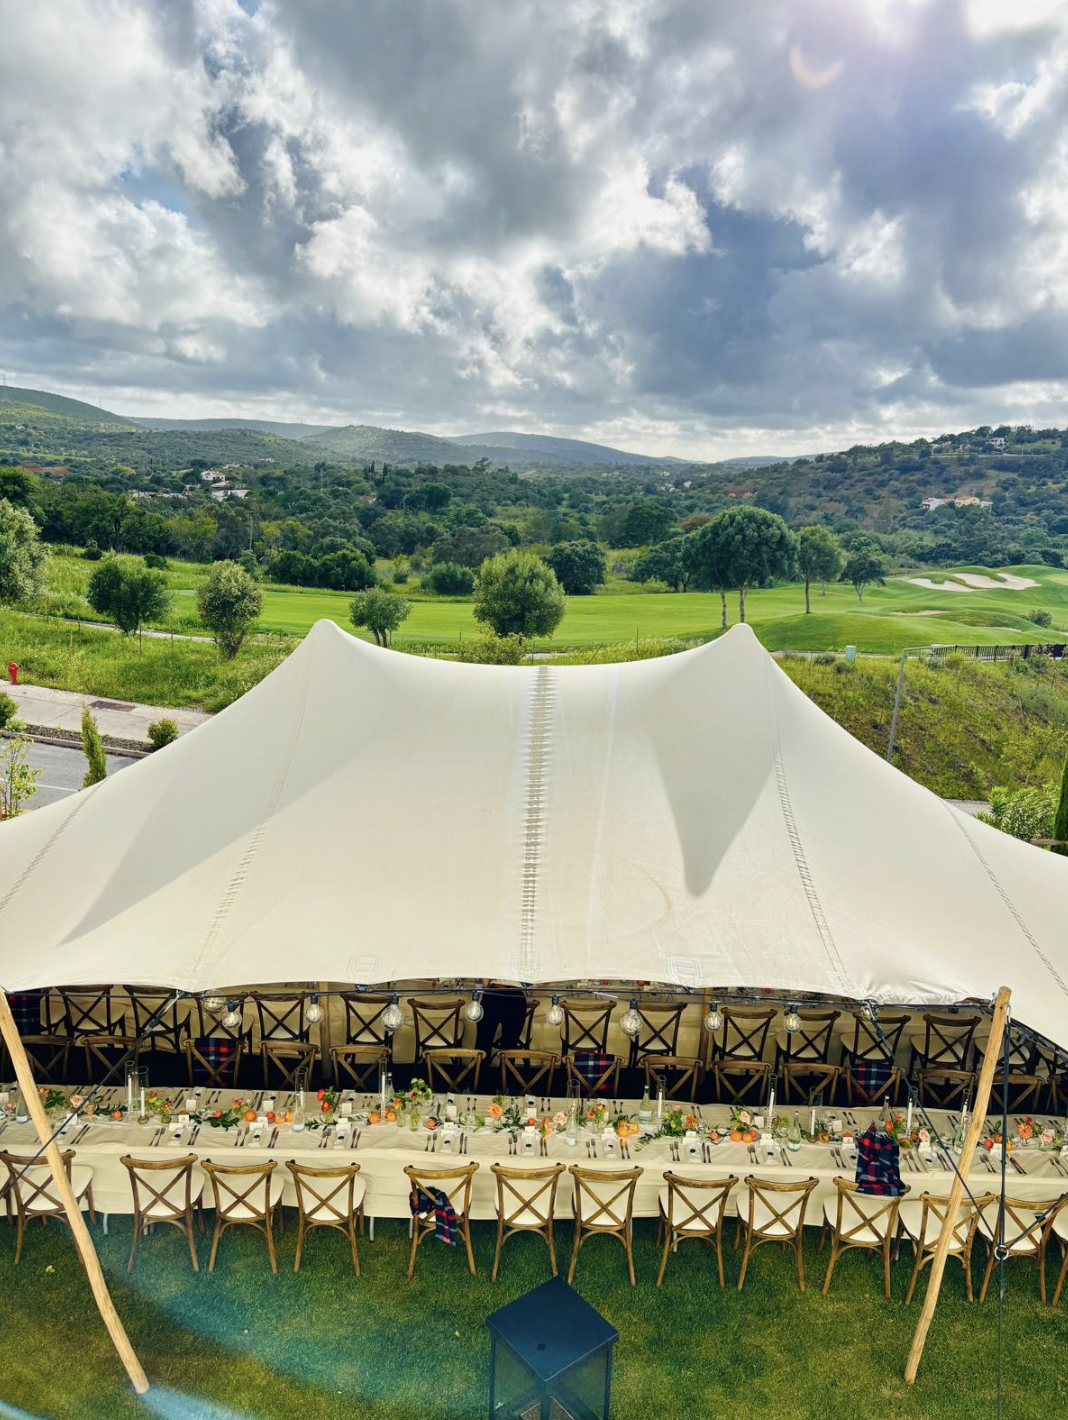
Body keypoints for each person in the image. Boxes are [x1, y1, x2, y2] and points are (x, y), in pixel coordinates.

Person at [475, 981, 528, 1057]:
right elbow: (532, 984)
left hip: (493, 995)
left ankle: (480, 1067)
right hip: (515, 995)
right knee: (510, 1045)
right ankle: (506, 1068)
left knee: (483, 1043)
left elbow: (485, 984)